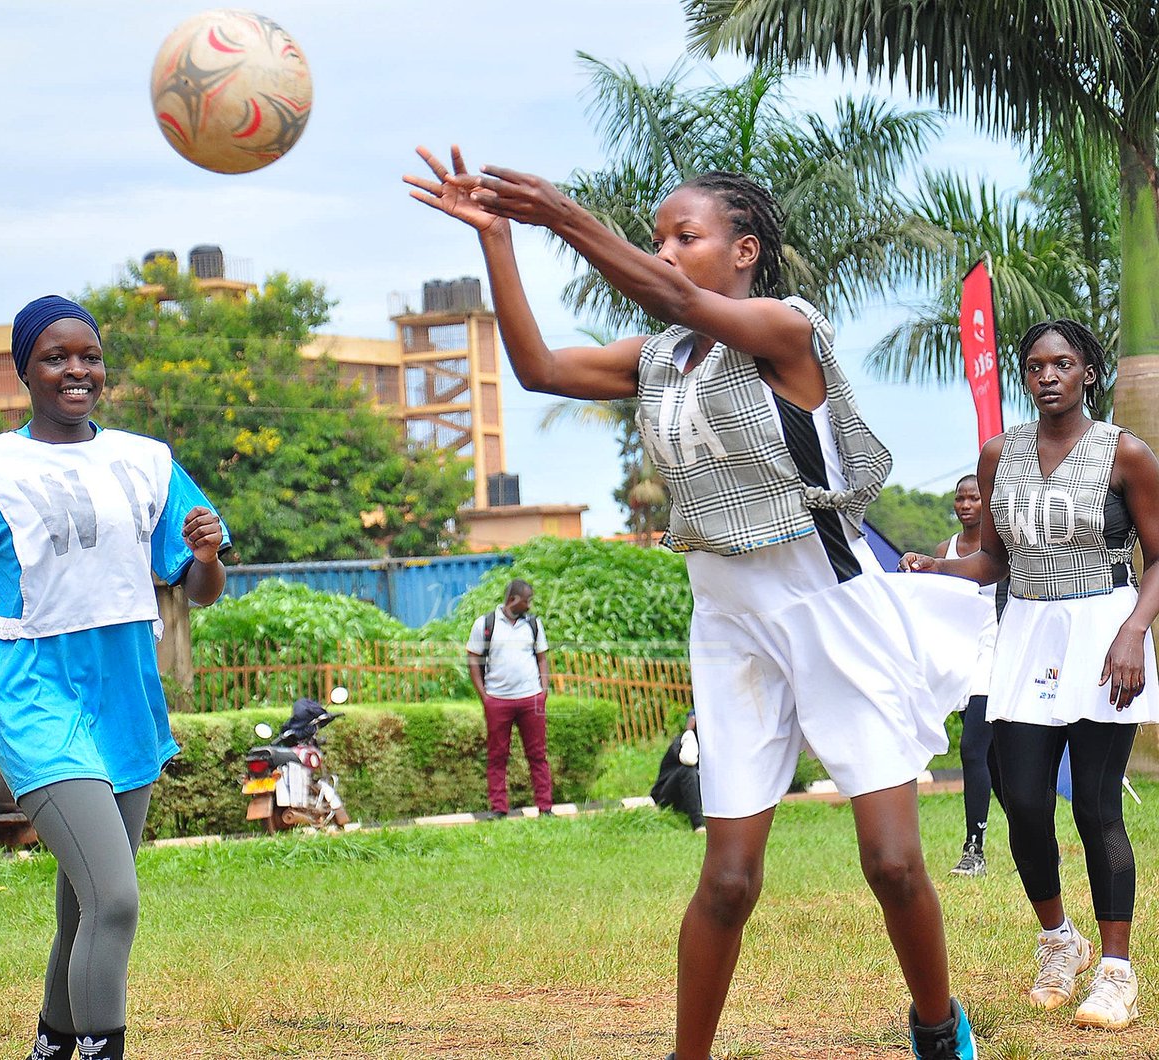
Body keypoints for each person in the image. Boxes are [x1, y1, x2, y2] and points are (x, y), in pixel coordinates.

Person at [407, 145, 990, 1060]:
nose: (668, 251)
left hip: (829, 609)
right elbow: (536, 371)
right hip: (727, 622)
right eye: (658, 239)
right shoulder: (662, 359)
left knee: (891, 861)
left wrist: (560, 212)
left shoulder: (787, 332)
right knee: (726, 879)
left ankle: (934, 1027)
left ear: (745, 250)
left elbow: (677, 298)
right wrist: (499, 243)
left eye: (686, 235)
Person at [0, 295, 230, 1060]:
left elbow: (197, 588)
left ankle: (52, 1044)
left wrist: (207, 556)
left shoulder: (147, 460)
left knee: (85, 906)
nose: (77, 369)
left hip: (125, 692)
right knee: (115, 898)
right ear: (25, 371)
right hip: (33, 691)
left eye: (90, 355)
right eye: (55, 356)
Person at [901, 319, 1159, 1030]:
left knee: (1096, 805)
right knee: (1022, 799)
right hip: (1026, 635)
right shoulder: (998, 455)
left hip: (1105, 632)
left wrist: (1135, 631)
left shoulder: (1125, 454)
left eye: (1063, 364)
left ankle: (1115, 973)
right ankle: (1059, 942)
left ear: (1088, 373)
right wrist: (938, 567)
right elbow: (995, 563)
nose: (1048, 376)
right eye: (1036, 366)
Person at [933, 474, 1004, 877]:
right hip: (963, 658)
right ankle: (1036, 841)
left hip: (996, 656)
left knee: (974, 749)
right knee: (993, 761)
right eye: (960, 498)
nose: (966, 505)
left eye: (974, 498)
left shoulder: (1000, 548)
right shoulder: (947, 550)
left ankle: (973, 850)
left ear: (986, 503)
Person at [465, 579, 553, 817]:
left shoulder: (533, 624)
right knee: (497, 756)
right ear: (514, 599)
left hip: (530, 699)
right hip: (498, 700)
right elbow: (473, 658)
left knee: (537, 755)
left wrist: (543, 691)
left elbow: (542, 657)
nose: (530, 604)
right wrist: (484, 696)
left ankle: (545, 807)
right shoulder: (485, 624)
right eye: (527, 600)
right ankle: (499, 809)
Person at [651, 709, 706, 832]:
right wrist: (689, 731)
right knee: (688, 770)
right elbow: (689, 759)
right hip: (666, 797)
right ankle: (698, 825)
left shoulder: (709, 746)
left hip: (687, 800)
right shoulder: (683, 741)